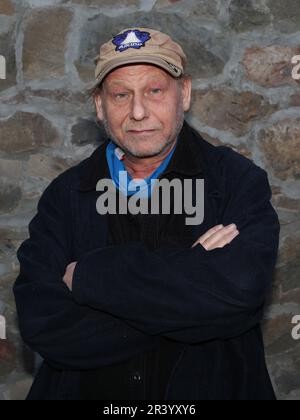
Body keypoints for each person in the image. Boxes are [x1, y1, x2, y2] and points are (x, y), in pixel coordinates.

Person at [14, 27, 280, 400]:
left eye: (154, 91)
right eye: (121, 95)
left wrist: (90, 278)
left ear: (183, 94)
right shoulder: (65, 196)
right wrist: (192, 279)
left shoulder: (236, 182)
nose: (138, 112)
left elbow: (241, 292)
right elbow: (43, 323)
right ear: (100, 106)